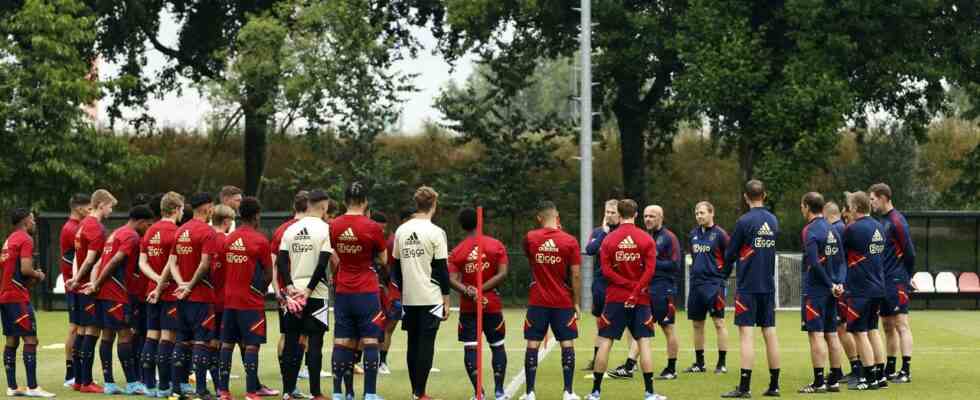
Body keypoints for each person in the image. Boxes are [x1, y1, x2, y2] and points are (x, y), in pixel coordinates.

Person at [587, 199, 663, 400]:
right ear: (636, 214)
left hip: (615, 298)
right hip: (640, 299)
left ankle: (595, 392)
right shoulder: (646, 239)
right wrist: (636, 289)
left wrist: (627, 286)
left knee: (605, 342)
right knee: (644, 342)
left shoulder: (609, 240)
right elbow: (650, 270)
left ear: (618, 215)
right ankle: (649, 393)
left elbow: (606, 271)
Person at [81, 205, 154, 395]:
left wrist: (95, 284)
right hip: (116, 294)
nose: (148, 228)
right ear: (139, 222)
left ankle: (110, 383)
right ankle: (132, 383)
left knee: (107, 335)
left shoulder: (116, 233)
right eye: (148, 224)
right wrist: (96, 284)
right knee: (125, 335)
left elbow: (99, 262)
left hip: (104, 294)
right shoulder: (131, 236)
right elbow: (114, 261)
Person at [721, 180, 781, 398]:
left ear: (746, 197)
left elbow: (730, 252)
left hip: (747, 286)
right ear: (764, 195)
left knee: (746, 335)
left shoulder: (744, 221)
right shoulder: (773, 220)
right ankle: (774, 385)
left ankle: (744, 388)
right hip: (768, 284)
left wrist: (724, 273)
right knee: (770, 333)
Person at [608, 205, 682, 381]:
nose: (648, 219)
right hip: (646, 289)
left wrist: (651, 263)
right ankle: (629, 366)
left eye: (652, 216)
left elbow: (675, 265)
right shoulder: (643, 236)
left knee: (667, 328)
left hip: (663, 289)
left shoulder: (669, 237)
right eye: (646, 216)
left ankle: (671, 368)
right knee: (642, 328)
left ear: (661, 217)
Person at [330, 183, 388, 400]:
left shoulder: (334, 225)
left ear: (345, 201)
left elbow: (334, 254)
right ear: (365, 202)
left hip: (343, 289)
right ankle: (370, 394)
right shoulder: (372, 226)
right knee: (370, 340)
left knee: (342, 341)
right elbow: (383, 259)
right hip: (366, 290)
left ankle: (338, 393)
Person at [392, 186, 450, 400]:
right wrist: (446, 298)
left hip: (409, 297)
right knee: (425, 344)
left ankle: (415, 392)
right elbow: (442, 268)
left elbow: (395, 267)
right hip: (430, 297)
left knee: (412, 343)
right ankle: (420, 392)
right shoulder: (436, 232)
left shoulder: (401, 230)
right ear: (434, 204)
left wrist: (404, 288)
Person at [275, 190, 333, 400]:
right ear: (324, 206)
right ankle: (316, 393)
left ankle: (287, 392)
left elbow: (281, 262)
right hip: (316, 294)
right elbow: (323, 263)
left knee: (291, 343)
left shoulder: (291, 230)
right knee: (315, 342)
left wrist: (290, 286)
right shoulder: (326, 229)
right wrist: (308, 290)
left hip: (293, 295)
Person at [522, 201, 582, 400]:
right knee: (567, 343)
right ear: (557, 218)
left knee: (532, 344)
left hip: (538, 300)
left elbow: (531, 261)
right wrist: (576, 302)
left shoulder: (530, 238)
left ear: (540, 218)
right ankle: (568, 392)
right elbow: (575, 275)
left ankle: (530, 393)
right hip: (562, 302)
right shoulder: (570, 241)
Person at [448, 208, 509, 400]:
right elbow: (502, 273)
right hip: (491, 304)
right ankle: (499, 392)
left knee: (471, 348)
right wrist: (481, 289)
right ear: (480, 222)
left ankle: (478, 394)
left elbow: (451, 279)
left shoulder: (457, 251)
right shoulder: (496, 245)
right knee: (497, 346)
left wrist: (469, 290)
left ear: (462, 226)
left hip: (468, 306)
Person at [218, 197, 273, 400]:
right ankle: (251, 392)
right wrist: (260, 290)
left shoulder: (229, 238)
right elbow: (268, 274)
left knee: (227, 344)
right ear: (257, 215)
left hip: (229, 299)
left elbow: (224, 268)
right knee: (251, 345)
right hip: (250, 301)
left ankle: (223, 391)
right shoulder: (260, 240)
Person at [0, 209, 56, 398]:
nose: (34, 223)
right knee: (31, 339)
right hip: (17, 297)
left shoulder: (9, 239)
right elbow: (25, 269)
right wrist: (38, 274)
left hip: (6, 295)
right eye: (32, 220)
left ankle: (12, 386)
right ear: (25, 221)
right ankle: (32, 387)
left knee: (12, 340)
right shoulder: (25, 239)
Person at [68, 189, 118, 393]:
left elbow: (76, 257)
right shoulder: (95, 227)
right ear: (100, 205)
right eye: (110, 206)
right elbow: (90, 259)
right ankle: (86, 381)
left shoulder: (81, 225)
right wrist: (82, 280)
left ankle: (79, 380)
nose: (111, 210)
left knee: (81, 332)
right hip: (89, 287)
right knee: (91, 331)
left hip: (80, 287)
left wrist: (73, 279)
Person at [171, 193, 221, 400]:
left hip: (182, 297)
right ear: (207, 208)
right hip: (200, 296)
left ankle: (176, 390)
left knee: (182, 341)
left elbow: (172, 263)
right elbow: (205, 264)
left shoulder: (181, 230)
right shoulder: (208, 232)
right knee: (202, 342)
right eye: (212, 207)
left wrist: (181, 284)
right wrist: (190, 285)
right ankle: (201, 390)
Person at [797, 193, 846, 393]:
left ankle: (818, 382)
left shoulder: (809, 230)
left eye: (802, 206)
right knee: (832, 334)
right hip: (832, 291)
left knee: (815, 335)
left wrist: (828, 284)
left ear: (807, 207)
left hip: (817, 290)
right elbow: (842, 260)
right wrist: (839, 283)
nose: (801, 209)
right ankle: (834, 380)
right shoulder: (831, 228)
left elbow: (814, 263)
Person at [869, 183, 916, 384]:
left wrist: (906, 276)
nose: (871, 202)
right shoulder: (882, 221)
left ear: (883, 197)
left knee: (901, 324)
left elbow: (910, 251)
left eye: (872, 199)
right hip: (883, 281)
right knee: (887, 325)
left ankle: (906, 370)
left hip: (896, 280)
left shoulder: (897, 220)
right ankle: (890, 367)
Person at [841, 191, 888, 390]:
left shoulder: (852, 229)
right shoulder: (879, 227)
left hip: (861, 289)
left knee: (860, 332)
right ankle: (880, 376)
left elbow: (840, 256)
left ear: (855, 208)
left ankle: (868, 379)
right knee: (873, 330)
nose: (848, 209)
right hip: (878, 287)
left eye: (850, 205)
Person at [141, 192, 184, 398]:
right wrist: (162, 283)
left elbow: (142, 263)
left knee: (151, 335)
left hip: (151, 290)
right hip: (168, 292)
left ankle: (149, 386)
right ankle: (164, 386)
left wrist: (155, 281)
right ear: (176, 209)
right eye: (182, 209)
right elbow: (171, 263)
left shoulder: (150, 231)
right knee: (168, 337)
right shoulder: (176, 232)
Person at [272, 192, 310, 394]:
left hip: (286, 293)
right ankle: (291, 380)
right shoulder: (312, 228)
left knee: (288, 335)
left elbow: (273, 263)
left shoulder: (281, 229)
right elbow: (275, 262)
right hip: (302, 293)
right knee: (301, 337)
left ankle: (289, 380)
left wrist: (277, 289)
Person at [685, 201, 730, 374]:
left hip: (714, 285)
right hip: (696, 285)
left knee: (718, 323)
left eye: (702, 213)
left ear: (712, 213)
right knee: (697, 324)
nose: (699, 216)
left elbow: (729, 258)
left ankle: (722, 363)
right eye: (697, 213)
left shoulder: (720, 235)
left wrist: (721, 278)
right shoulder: (693, 234)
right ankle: (699, 363)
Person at [826, 201, 860, 385]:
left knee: (842, 326)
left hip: (842, 285)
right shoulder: (842, 228)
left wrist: (837, 282)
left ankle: (856, 367)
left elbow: (838, 260)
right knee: (841, 327)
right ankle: (841, 369)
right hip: (844, 283)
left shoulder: (837, 230)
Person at [583, 200, 620, 371]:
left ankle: (631, 363)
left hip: (619, 284)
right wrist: (604, 233)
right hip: (600, 283)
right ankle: (597, 359)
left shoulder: (624, 232)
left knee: (628, 322)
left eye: (613, 212)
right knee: (600, 321)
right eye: (607, 212)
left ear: (620, 214)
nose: (609, 215)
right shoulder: (598, 232)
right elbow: (590, 249)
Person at [60, 193, 90, 387]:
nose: (89, 212)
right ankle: (70, 374)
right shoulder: (72, 229)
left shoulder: (74, 227)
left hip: (75, 283)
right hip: (74, 285)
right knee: (74, 328)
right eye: (88, 208)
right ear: (79, 209)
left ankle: (74, 374)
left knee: (78, 327)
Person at [206, 205, 236, 394]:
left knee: (211, 342)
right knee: (227, 343)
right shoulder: (228, 241)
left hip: (207, 299)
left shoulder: (206, 238)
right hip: (226, 301)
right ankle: (222, 387)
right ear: (226, 222)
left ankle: (217, 385)